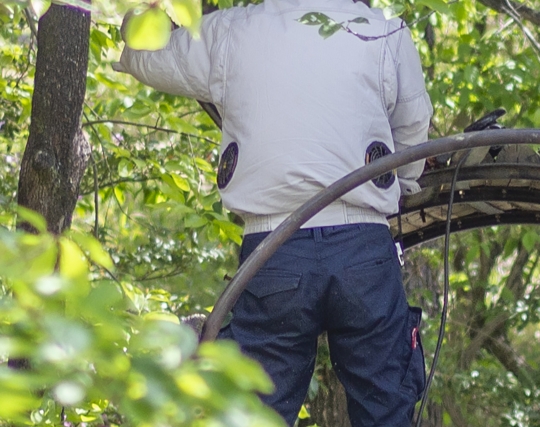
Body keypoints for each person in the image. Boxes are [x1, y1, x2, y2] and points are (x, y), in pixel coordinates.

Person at [117, 0, 432, 424]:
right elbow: (413, 130)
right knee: (386, 408)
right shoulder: (382, 32)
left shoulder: (229, 30)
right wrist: (403, 186)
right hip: (363, 249)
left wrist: (144, 12)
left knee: (259, 411)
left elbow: (144, 53)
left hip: (274, 250)